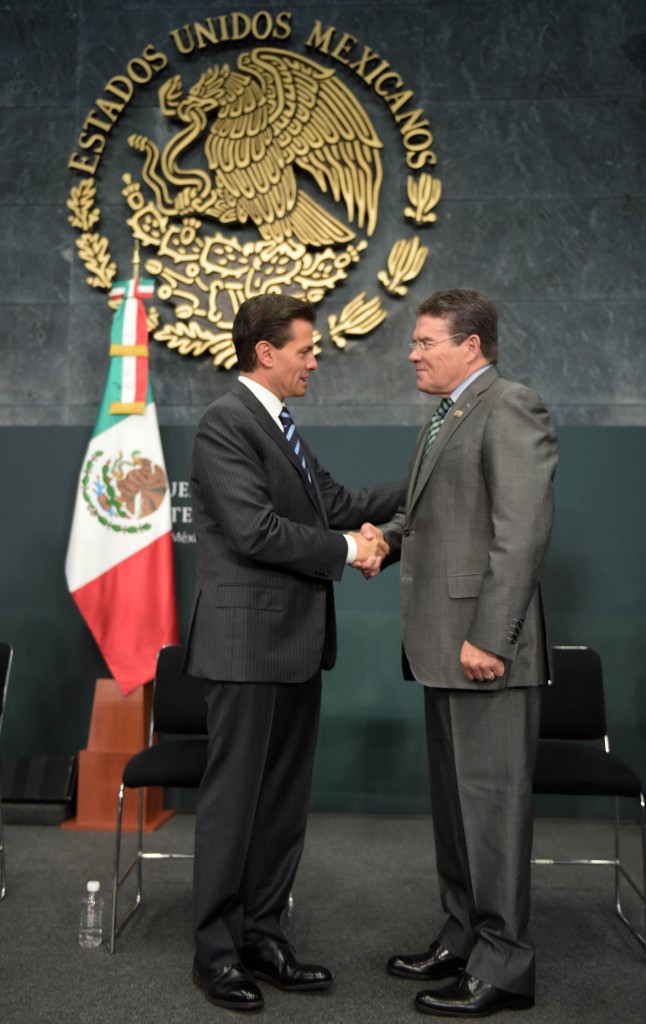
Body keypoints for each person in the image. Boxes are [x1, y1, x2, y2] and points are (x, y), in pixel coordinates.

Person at [184, 293, 404, 1012]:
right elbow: (255, 530)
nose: (314, 361)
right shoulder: (226, 422)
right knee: (234, 805)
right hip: (246, 648)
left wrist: (426, 479)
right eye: (305, 349)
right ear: (265, 352)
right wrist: (351, 550)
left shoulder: (280, 424)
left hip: (296, 647)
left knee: (280, 804)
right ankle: (217, 955)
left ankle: (264, 936)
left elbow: (337, 503)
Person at [378, 289, 557, 1018]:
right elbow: (427, 518)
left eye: (426, 342)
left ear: (471, 345)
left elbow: (522, 533)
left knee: (493, 814)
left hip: (486, 650)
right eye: (415, 342)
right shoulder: (446, 414)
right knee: (458, 812)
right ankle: (462, 939)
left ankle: (505, 966)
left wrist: (491, 635)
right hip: (441, 649)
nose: (413, 354)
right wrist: (382, 541)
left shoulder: (511, 406)